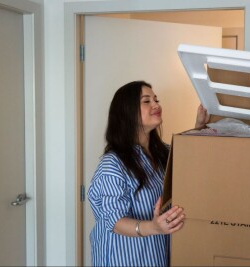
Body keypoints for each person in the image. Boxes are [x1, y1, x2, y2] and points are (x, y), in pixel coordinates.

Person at [87, 80, 209, 267]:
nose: (156, 105)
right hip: (121, 259)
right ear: (127, 112)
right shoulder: (112, 164)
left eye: (156, 99)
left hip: (155, 256)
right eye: (146, 101)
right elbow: (114, 220)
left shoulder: (162, 154)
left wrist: (199, 125)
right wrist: (153, 226)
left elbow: (188, 159)